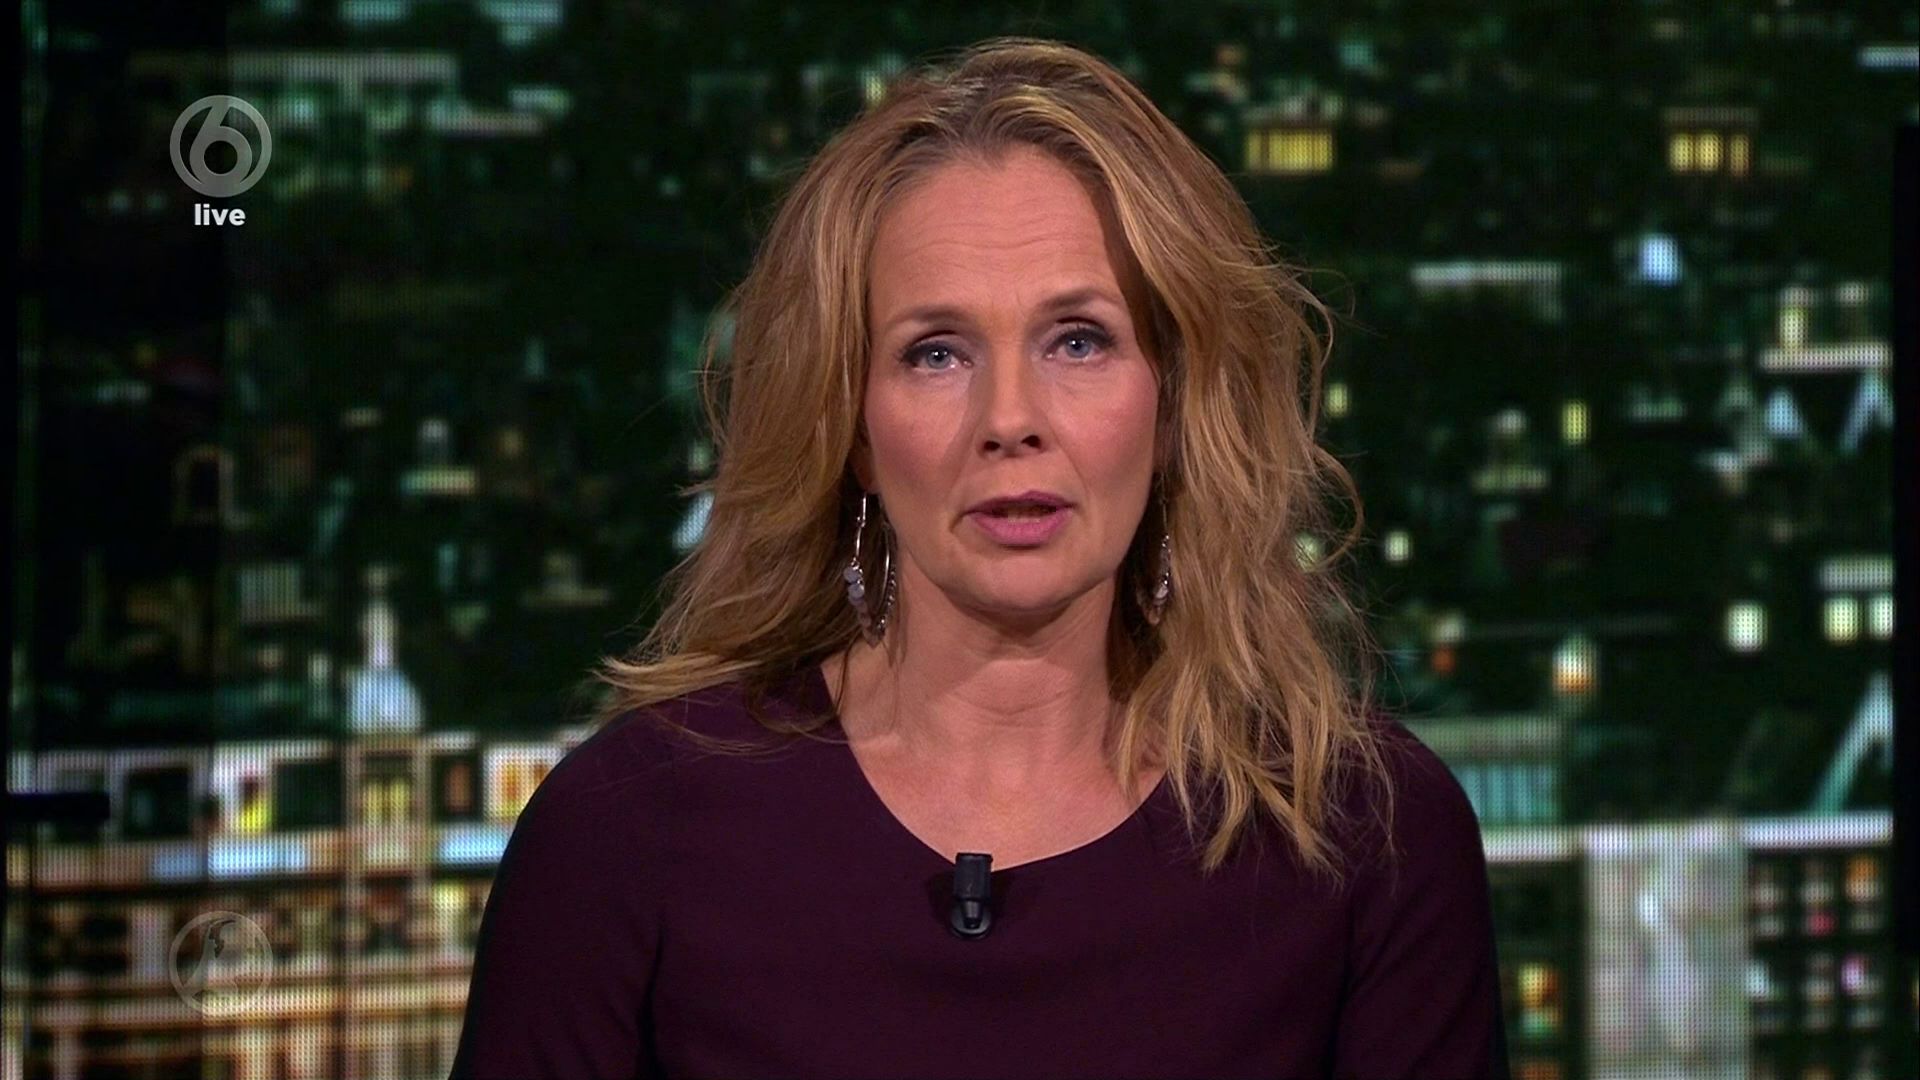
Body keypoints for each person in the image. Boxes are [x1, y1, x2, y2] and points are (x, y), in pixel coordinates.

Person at [451, 35, 1510, 1080]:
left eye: (1078, 340)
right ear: (853, 429)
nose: (1010, 419)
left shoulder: (1367, 835)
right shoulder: (625, 833)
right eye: (937, 353)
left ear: (1174, 403)